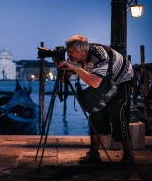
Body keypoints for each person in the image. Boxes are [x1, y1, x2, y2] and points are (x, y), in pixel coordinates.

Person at [56, 35, 134, 164]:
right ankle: (93, 154)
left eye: (70, 52)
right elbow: (66, 78)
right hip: (104, 81)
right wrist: (61, 65)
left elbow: (95, 82)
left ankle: (129, 155)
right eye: (67, 51)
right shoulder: (77, 56)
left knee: (119, 115)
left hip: (121, 80)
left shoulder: (99, 56)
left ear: (82, 52)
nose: (68, 54)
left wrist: (75, 68)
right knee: (96, 113)